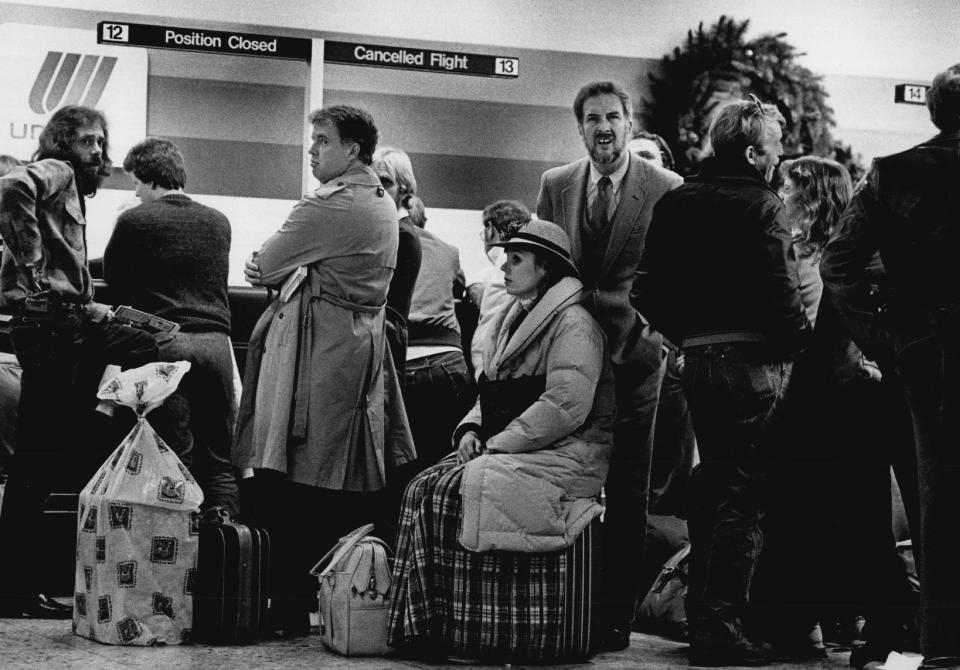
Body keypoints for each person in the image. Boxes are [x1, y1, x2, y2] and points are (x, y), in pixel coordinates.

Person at [633, 94, 812, 666]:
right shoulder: (763, 205)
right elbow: (783, 300)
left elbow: (644, 290)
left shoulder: (678, 199)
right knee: (746, 496)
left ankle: (704, 617)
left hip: (697, 363)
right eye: (777, 147)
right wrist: (800, 351)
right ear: (756, 150)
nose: (780, 157)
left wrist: (689, 335)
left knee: (713, 490)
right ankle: (721, 626)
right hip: (756, 365)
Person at [388, 220, 615, 661]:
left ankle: (469, 632)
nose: (505, 268)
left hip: (567, 454)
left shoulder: (574, 324)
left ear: (545, 268)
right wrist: (471, 431)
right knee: (421, 486)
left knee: (452, 493)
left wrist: (499, 444)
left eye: (516, 260)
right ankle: (431, 627)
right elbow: (491, 391)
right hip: (522, 445)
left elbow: (566, 405)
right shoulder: (518, 317)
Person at [233, 104, 416, 637]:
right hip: (354, 352)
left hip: (316, 355)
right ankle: (321, 602)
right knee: (338, 479)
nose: (311, 149)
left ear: (352, 149)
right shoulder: (380, 202)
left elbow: (265, 263)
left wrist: (290, 264)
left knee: (294, 474)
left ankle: (287, 606)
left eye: (321, 140)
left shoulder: (330, 205)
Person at [821, 63, 960, 670]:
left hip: (924, 353)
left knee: (938, 498)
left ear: (933, 113)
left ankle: (945, 649)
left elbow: (837, 264)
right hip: (924, 350)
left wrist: (883, 340)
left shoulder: (891, 174)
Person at [536, 80, 683, 650]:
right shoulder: (556, 185)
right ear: (580, 128)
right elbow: (547, 267)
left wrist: (657, 338)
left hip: (636, 359)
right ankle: (563, 604)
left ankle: (614, 617)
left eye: (613, 117)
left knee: (627, 491)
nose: (603, 126)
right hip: (571, 358)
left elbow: (677, 274)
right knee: (567, 481)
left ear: (629, 123)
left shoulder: (665, 188)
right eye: (592, 118)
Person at [0, 106, 158, 618]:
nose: (97, 152)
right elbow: (9, 190)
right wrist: (34, 270)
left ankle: (16, 587)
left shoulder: (65, 188)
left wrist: (85, 300)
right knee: (37, 465)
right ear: (64, 143)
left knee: (36, 464)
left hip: (58, 323)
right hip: (50, 328)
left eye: (99, 142)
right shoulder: (57, 170)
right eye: (88, 141)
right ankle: (15, 589)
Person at [103, 137, 240, 518]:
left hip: (167, 347)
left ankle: (179, 552)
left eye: (134, 183)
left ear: (147, 179)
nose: (135, 191)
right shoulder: (218, 221)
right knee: (219, 457)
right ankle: (227, 543)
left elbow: (114, 277)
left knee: (173, 455)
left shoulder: (134, 220)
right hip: (217, 347)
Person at [403, 199, 476, 469]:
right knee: (445, 462)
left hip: (403, 359)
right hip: (448, 362)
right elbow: (460, 285)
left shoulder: (383, 245)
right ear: (423, 221)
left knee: (401, 465)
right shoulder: (449, 250)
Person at [371, 147, 422, 381]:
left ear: (403, 188)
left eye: (385, 181)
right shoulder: (388, 230)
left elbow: (387, 306)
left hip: (384, 349)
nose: (377, 188)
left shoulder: (403, 235)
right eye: (372, 180)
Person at [466, 199, 531, 378]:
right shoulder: (519, 260)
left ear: (490, 230)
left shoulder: (506, 260)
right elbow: (481, 277)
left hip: (494, 367)